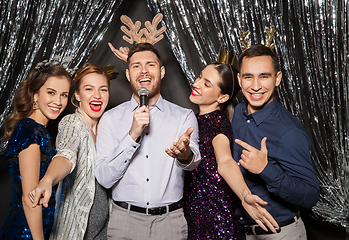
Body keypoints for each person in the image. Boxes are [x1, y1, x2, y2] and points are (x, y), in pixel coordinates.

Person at [95, 42, 201, 240]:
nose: (144, 71)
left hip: (170, 223)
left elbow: (194, 161)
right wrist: (132, 135)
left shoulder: (183, 116)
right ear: (128, 74)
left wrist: (185, 154)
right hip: (124, 222)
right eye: (136, 66)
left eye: (150, 65)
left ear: (161, 71)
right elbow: (104, 178)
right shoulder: (110, 119)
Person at [232, 44, 320, 239]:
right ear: (239, 80)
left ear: (277, 78)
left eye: (264, 76)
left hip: (279, 232)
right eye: (248, 77)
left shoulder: (289, 132)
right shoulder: (238, 113)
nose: (255, 86)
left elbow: (311, 195)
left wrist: (265, 170)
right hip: (240, 230)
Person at [184, 62, 279, 239]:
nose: (196, 84)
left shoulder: (218, 124)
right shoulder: (194, 120)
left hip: (217, 223)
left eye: (207, 84)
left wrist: (245, 196)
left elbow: (226, 162)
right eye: (199, 77)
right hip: (195, 217)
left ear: (222, 98)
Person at [29, 63, 112, 240]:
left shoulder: (108, 127)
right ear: (77, 95)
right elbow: (66, 155)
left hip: (106, 231)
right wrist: (48, 180)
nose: (97, 95)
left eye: (103, 89)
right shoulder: (72, 123)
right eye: (89, 89)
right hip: (77, 231)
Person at [0, 62, 72, 240]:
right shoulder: (32, 132)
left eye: (64, 95)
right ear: (35, 94)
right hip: (26, 233)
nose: (58, 102)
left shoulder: (36, 129)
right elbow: (30, 199)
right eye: (51, 93)